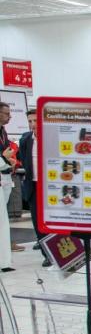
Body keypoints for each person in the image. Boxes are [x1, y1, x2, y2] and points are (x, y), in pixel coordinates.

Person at [17, 109, 48, 266]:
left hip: (50, 187)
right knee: (38, 223)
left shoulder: (51, 139)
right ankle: (47, 255)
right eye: (30, 121)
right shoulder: (25, 140)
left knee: (53, 222)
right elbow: (23, 160)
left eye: (36, 121)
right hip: (33, 186)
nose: (33, 124)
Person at [0, 102, 16, 271]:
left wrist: (8, 161)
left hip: (4, 178)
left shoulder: (3, 132)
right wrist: (4, 159)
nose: (9, 116)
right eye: (5, 113)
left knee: (3, 223)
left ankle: (4, 261)